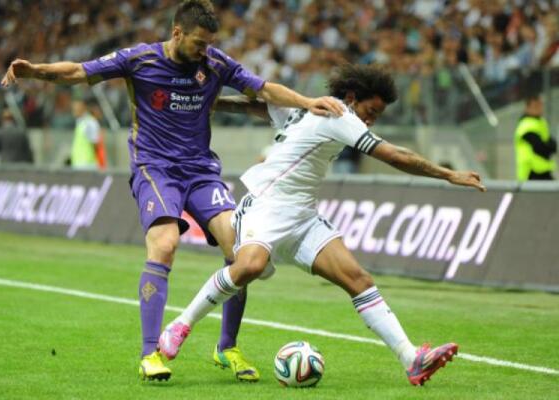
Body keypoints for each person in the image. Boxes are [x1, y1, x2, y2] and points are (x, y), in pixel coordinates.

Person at [1, 0, 343, 382]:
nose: (204, 51)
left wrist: (307, 102)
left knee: (241, 250)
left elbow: (263, 89)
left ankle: (226, 347)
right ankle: (150, 353)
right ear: (177, 33)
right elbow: (79, 71)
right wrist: (35, 71)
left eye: (209, 44)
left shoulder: (214, 63)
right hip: (155, 168)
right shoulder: (139, 59)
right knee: (164, 245)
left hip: (201, 170)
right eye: (199, 43)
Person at [158, 64, 486, 386]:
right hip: (266, 207)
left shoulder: (310, 108)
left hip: (303, 217)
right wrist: (448, 174)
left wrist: (212, 102)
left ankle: (410, 358)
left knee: (358, 279)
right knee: (249, 267)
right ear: (352, 97)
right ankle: (181, 324)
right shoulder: (340, 115)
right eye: (371, 111)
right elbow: (394, 156)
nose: (371, 120)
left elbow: (253, 107)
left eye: (377, 115)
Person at [515, 95, 556, 181]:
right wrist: (550, 146)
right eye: (535, 106)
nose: (539, 108)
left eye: (540, 105)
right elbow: (541, 148)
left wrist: (550, 146)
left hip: (543, 171)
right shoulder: (525, 125)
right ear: (527, 108)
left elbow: (552, 144)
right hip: (530, 173)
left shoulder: (541, 122)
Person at [70, 99, 104, 170]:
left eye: (77, 107)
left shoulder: (89, 123)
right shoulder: (80, 122)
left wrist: (100, 163)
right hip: (78, 163)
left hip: (87, 164)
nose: (74, 110)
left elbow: (96, 143)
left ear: (83, 107)